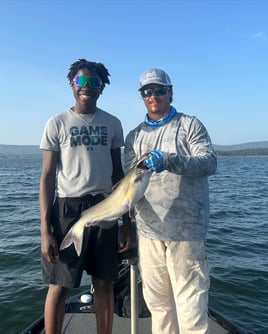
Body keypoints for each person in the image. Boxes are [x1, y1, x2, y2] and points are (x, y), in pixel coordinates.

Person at [39, 58, 131, 334]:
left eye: (94, 82)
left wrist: (126, 221)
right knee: (60, 283)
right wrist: (46, 231)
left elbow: (119, 175)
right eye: (81, 81)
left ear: (102, 88)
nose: (87, 87)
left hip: (106, 205)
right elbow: (47, 177)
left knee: (103, 282)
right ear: (72, 85)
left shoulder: (112, 124)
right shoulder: (56, 123)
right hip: (67, 208)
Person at [124, 68, 217, 334]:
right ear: (142, 96)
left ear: (170, 92)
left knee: (191, 309)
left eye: (160, 90)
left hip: (186, 232)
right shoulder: (134, 137)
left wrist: (169, 160)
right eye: (147, 91)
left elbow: (209, 163)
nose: (153, 96)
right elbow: (130, 187)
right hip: (149, 232)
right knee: (159, 308)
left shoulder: (190, 125)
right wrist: (125, 222)